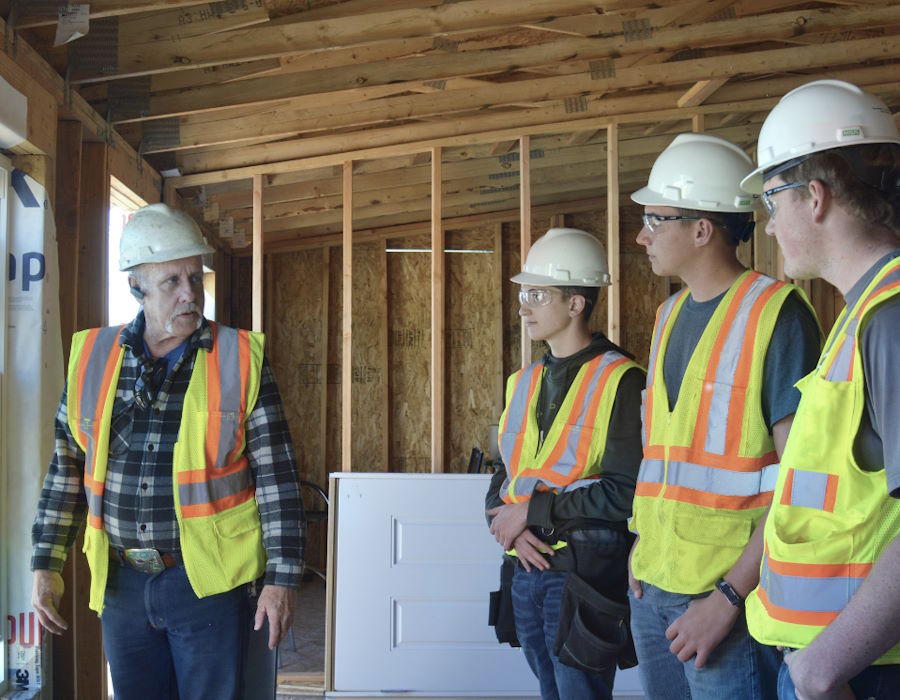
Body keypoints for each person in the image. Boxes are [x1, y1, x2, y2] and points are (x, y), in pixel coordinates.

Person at [30, 203, 305, 699]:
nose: (189, 293)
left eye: (194, 278)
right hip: (121, 586)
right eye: (171, 282)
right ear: (136, 287)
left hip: (209, 587)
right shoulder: (93, 357)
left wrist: (282, 579)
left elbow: (278, 478)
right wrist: (45, 562)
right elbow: (66, 470)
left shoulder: (239, 359)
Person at [627, 133, 822, 700]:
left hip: (725, 604)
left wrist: (730, 599)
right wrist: (640, 550)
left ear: (702, 229)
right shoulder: (668, 315)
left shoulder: (776, 314)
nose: (642, 235)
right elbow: (665, 458)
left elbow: (799, 481)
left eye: (655, 218)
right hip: (652, 586)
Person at [739, 79, 900, 700]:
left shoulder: (889, 318)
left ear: (815, 197)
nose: (770, 226)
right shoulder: (859, 315)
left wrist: (820, 666)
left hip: (860, 670)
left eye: (772, 202)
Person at [484, 227, 645, 700]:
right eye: (523, 293)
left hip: (581, 571)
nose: (523, 305)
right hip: (525, 566)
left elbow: (626, 489)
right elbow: (504, 474)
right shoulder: (524, 380)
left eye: (537, 293)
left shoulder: (622, 379)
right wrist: (506, 523)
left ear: (576, 303)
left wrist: (531, 514)